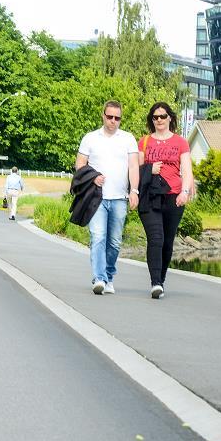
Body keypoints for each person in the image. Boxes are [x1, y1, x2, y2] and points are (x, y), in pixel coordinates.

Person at [75, 100, 139, 296]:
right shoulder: (90, 138)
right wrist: (93, 177)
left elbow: (134, 166)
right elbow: (80, 165)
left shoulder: (128, 139)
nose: (113, 121)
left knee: (114, 242)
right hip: (97, 198)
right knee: (98, 236)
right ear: (103, 115)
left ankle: (109, 276)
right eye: (109, 116)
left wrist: (134, 190)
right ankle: (99, 278)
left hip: (119, 197)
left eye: (117, 118)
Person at [137, 102, 193, 300]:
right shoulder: (144, 142)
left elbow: (186, 170)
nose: (159, 120)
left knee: (168, 242)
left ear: (170, 117)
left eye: (162, 116)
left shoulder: (180, 142)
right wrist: (149, 169)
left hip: (173, 196)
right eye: (155, 117)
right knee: (156, 238)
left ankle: (161, 278)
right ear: (152, 120)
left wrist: (184, 192)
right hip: (150, 197)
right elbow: (136, 171)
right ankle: (155, 283)